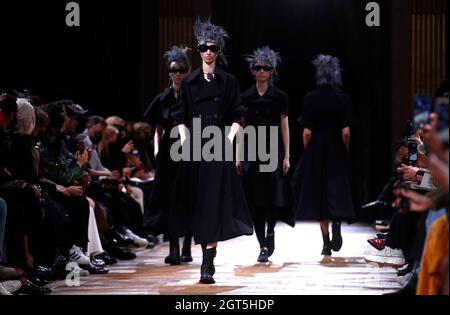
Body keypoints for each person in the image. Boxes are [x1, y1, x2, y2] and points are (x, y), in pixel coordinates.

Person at [169, 18, 253, 284]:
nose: (208, 52)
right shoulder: (190, 82)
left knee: (213, 204)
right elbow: (180, 116)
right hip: (194, 146)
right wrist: (184, 142)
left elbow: (238, 115)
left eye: (214, 48)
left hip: (218, 145)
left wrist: (229, 141)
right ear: (199, 48)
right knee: (196, 202)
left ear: (219, 52)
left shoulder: (229, 82)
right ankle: (190, 251)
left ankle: (208, 263)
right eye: (204, 47)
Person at [292, 54, 355, 256]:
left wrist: (309, 150)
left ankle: (326, 243)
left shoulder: (310, 98)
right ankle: (337, 221)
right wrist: (345, 148)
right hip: (336, 147)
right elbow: (345, 131)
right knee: (336, 189)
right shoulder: (343, 98)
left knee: (319, 197)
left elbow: (307, 132)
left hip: (316, 149)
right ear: (336, 74)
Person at [241, 47, 294, 262]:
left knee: (271, 199)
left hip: (273, 150)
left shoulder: (280, 97)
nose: (261, 71)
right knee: (255, 200)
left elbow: (285, 126)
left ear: (271, 71)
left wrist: (287, 156)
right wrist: (238, 156)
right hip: (252, 150)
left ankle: (270, 231)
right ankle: (262, 245)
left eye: (266, 68)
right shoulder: (245, 96)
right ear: (253, 71)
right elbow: (241, 128)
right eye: (257, 67)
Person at [143, 46, 193, 265]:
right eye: (174, 71)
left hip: (192, 151)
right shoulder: (162, 99)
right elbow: (157, 129)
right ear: (169, 73)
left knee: (190, 198)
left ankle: (188, 244)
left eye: (182, 70)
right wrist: (156, 149)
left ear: (188, 71)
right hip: (169, 154)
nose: (178, 74)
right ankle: (174, 248)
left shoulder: (195, 97)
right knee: (171, 200)